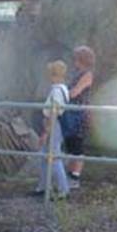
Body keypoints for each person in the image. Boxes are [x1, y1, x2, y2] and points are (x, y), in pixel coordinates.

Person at [34, 60, 71, 199]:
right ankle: (43, 187)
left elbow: (54, 113)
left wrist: (45, 132)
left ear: (54, 75)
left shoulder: (56, 91)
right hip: (55, 125)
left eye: (50, 74)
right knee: (45, 156)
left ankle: (64, 189)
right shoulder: (63, 89)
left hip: (54, 125)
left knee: (54, 157)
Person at [61, 45, 95, 187]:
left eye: (76, 58)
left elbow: (75, 92)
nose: (74, 61)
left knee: (77, 145)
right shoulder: (76, 73)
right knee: (70, 143)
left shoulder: (87, 75)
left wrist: (60, 95)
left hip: (79, 113)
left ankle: (75, 177)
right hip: (70, 112)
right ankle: (68, 175)